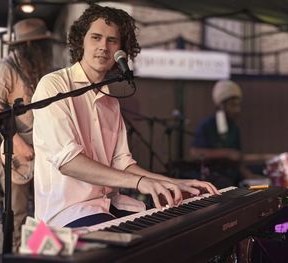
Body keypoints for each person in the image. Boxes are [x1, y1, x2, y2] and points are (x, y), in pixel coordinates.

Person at [32, 4, 219, 228]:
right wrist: (140, 183)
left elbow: (122, 162)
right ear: (82, 40)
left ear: (121, 48)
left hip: (108, 205)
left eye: (112, 40)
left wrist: (175, 183)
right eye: (96, 37)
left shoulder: (111, 102)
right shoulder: (54, 85)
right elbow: (69, 162)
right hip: (67, 213)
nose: (103, 46)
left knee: (167, 229)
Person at [0, 18, 53, 250]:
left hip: (39, 151)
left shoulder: (39, 70)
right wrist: (18, 145)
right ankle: (15, 254)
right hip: (11, 154)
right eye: (44, 46)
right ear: (32, 46)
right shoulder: (4, 68)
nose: (48, 51)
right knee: (18, 212)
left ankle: (36, 251)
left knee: (48, 207)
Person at [190, 80, 260, 188]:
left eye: (238, 105)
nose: (237, 109)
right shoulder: (207, 125)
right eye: (233, 105)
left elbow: (237, 161)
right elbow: (195, 153)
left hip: (232, 175)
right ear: (221, 105)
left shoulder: (234, 128)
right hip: (212, 177)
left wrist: (249, 176)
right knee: (225, 184)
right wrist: (226, 153)